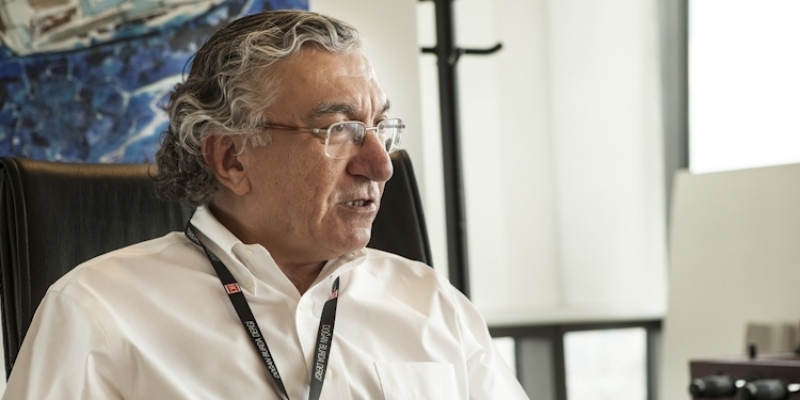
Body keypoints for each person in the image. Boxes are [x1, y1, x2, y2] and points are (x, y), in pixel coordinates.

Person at [3, 10, 529, 399]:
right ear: (232, 158)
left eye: (379, 128)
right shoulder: (97, 313)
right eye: (338, 130)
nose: (379, 164)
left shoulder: (432, 305)